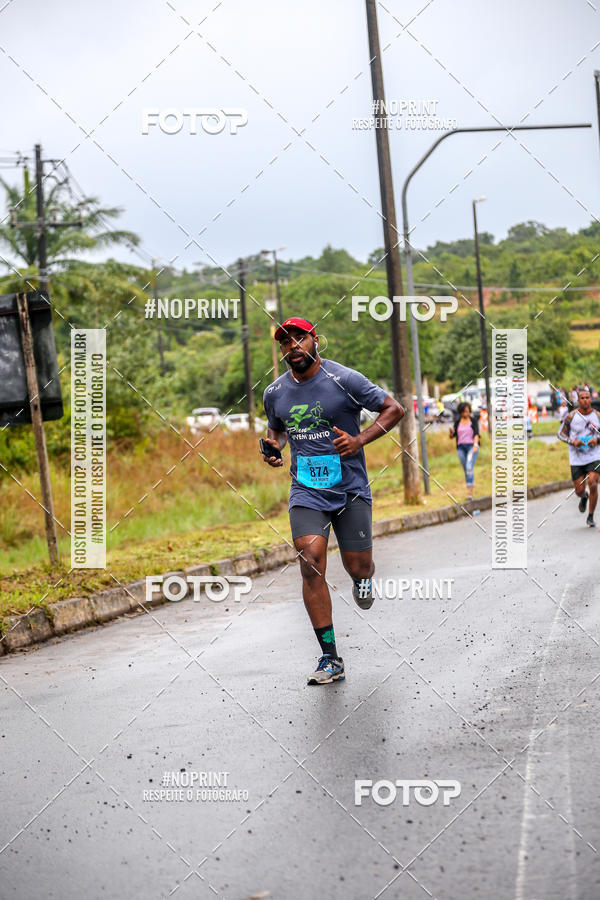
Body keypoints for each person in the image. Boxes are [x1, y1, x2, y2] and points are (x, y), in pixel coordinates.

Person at [261, 317, 404, 685]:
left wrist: (360, 439)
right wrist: (274, 446)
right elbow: (277, 427)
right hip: (306, 490)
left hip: (350, 488)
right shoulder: (275, 392)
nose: (293, 346)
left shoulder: (346, 380)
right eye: (285, 341)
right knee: (309, 560)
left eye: (299, 338)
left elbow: (394, 409)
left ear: (314, 341)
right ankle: (330, 658)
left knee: (359, 567)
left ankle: (363, 580)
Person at [557, 385, 600, 527]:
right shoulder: (572, 416)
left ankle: (591, 516)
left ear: (591, 399)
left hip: (593, 456)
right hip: (576, 457)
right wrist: (572, 441)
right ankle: (584, 497)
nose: (585, 400)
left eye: (587, 397)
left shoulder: (597, 416)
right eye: (582, 398)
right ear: (578, 400)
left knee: (593, 483)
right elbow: (560, 434)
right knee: (579, 490)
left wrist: (597, 440)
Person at [449, 401, 480, 500]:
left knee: (469, 467)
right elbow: (452, 436)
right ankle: (469, 491)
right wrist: (451, 433)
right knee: (466, 470)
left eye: (467, 411)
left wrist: (475, 445)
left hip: (471, 446)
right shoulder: (457, 422)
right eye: (464, 412)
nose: (466, 414)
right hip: (461, 448)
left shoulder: (473, 420)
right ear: (461, 412)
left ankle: (470, 492)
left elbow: (476, 434)